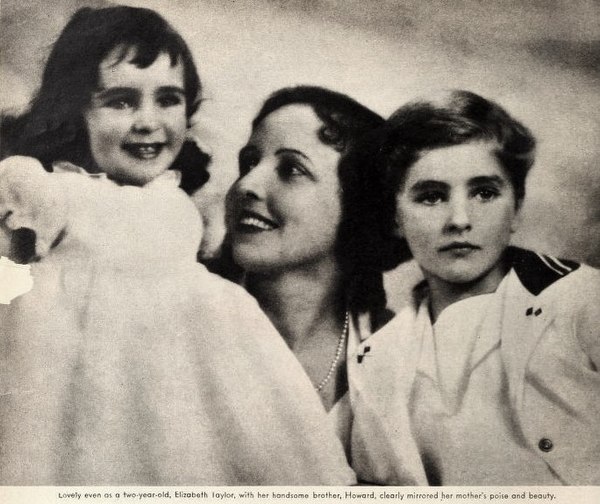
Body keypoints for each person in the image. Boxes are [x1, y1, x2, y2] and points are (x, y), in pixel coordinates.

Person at [0, 7, 355, 485]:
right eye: (121, 102)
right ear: (74, 110)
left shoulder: (180, 203)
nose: (148, 122)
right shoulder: (50, 193)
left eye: (168, 100)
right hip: (74, 386)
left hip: (173, 395)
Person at [370, 90, 600, 485]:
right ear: (395, 217)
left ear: (517, 207)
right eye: (431, 197)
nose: (459, 219)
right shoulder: (377, 357)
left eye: (484, 193)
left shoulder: (581, 300)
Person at [226, 85, 425, 484]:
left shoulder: (403, 359)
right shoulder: (184, 322)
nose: (247, 184)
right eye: (249, 162)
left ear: (359, 205)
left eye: (291, 170)